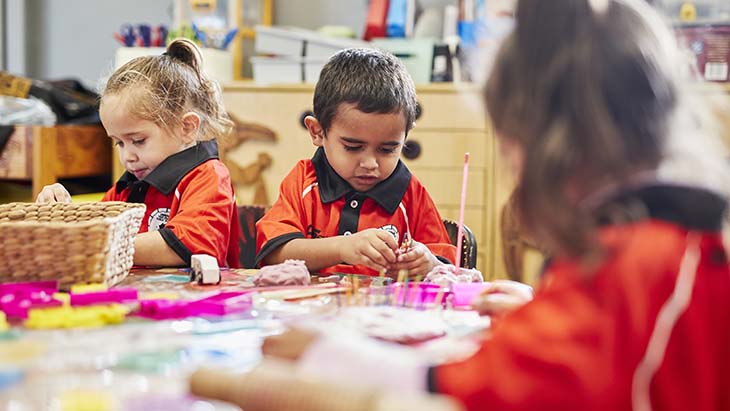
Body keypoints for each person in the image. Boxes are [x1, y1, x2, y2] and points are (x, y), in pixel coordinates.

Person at [254, 1, 730, 410]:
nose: (516, 173)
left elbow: (490, 388)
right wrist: (539, 306)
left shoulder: (641, 258)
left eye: (511, 149)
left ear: (556, 145)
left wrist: (332, 355)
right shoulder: (665, 234)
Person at [36, 39, 241, 268]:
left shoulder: (208, 176)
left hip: (200, 300)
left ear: (187, 128)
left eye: (138, 141)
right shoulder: (129, 186)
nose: (127, 157)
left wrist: (98, 243)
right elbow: (93, 230)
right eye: (119, 144)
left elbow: (191, 247)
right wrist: (62, 212)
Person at [255, 48, 456, 277]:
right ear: (318, 132)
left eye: (388, 149)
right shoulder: (304, 181)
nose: (370, 163)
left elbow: (448, 269)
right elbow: (273, 254)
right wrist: (342, 247)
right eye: (353, 147)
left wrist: (429, 263)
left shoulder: (411, 194)